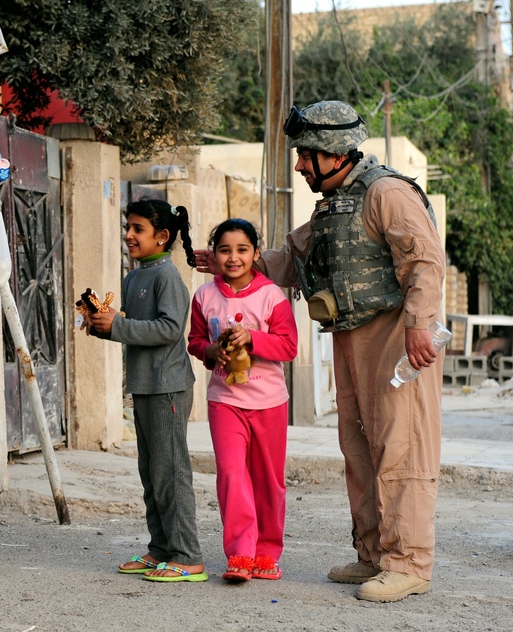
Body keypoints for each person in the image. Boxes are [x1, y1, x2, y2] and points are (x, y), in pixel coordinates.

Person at [196, 100, 446, 603]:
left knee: (402, 446)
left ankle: (409, 563)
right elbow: (291, 260)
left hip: (395, 335)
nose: (298, 165)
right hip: (351, 337)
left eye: (306, 154)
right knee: (359, 449)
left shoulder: (387, 193)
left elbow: (424, 261)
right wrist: (235, 264)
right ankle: (373, 555)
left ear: (332, 153)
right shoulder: (335, 203)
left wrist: (420, 325)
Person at [85, 198, 207, 583]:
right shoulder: (135, 276)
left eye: (138, 229)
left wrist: (118, 327)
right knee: (151, 474)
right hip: (144, 386)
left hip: (168, 388)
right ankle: (160, 550)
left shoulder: (167, 276)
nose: (129, 235)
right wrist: (103, 325)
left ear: (163, 236)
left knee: (171, 473)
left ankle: (187, 556)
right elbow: (136, 328)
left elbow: (170, 329)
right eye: (129, 227)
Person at [187, 219, 297, 583]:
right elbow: (195, 342)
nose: (233, 257)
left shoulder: (271, 296)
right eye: (224, 250)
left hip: (269, 403)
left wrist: (252, 338)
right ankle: (240, 554)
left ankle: (266, 554)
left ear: (256, 254)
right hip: (224, 401)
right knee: (232, 475)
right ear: (214, 255)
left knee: (267, 480)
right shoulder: (204, 296)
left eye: (242, 250)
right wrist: (211, 350)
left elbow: (289, 346)